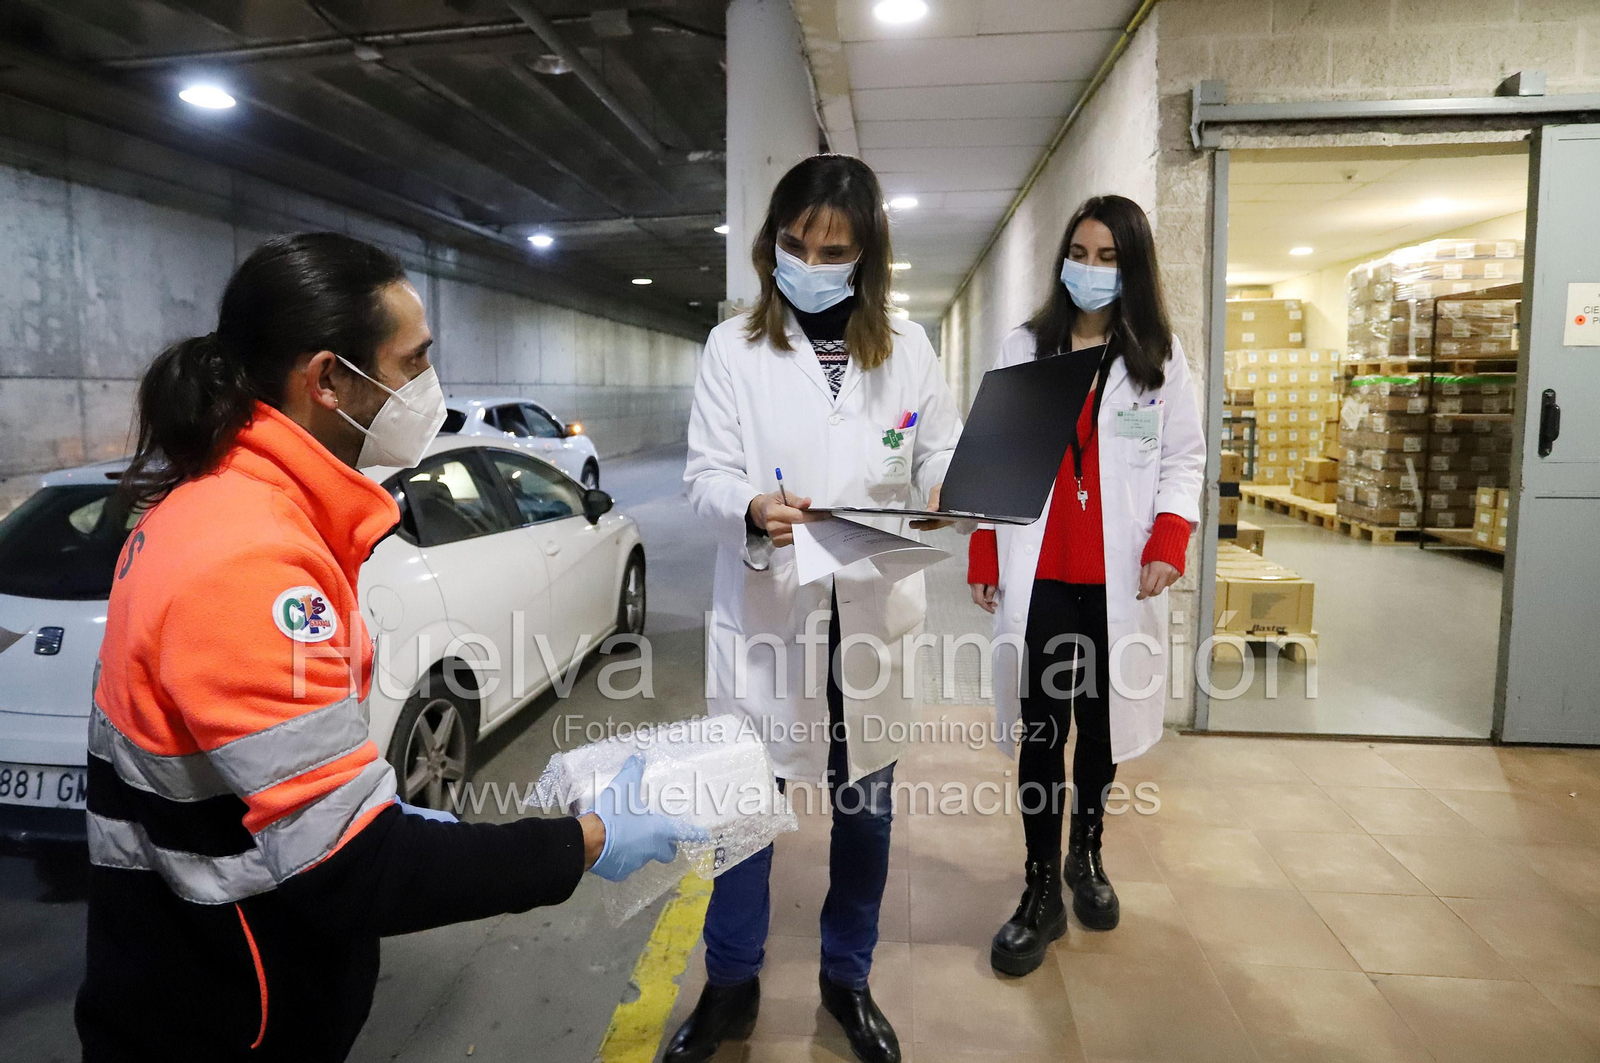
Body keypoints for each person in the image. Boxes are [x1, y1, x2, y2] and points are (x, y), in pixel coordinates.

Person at [77, 233, 687, 1062]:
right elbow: (355, 869)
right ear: (328, 378)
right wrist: (588, 839)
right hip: (222, 1022)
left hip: (199, 981)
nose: (426, 389)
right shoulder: (250, 557)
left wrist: (362, 800)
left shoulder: (222, 508)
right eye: (413, 362)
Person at [673, 155, 962, 1063]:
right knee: (745, 814)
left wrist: (948, 483)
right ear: (772, 244)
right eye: (795, 243)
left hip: (869, 618)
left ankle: (848, 976)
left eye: (833, 249)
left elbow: (938, 454)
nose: (810, 261)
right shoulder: (734, 348)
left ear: (866, 255)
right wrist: (753, 507)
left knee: (865, 815)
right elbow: (705, 476)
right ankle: (730, 983)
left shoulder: (908, 349)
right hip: (771, 615)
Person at [967, 195, 1204, 976]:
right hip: (1042, 578)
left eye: (1108, 256)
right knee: (1043, 732)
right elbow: (991, 449)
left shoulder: (1160, 359)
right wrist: (982, 546)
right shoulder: (1025, 346)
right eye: (1080, 252)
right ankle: (1038, 886)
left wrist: (1170, 535)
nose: (1090, 269)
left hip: (1117, 583)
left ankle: (1086, 856)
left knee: (1098, 732)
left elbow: (1184, 459)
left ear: (1132, 267)